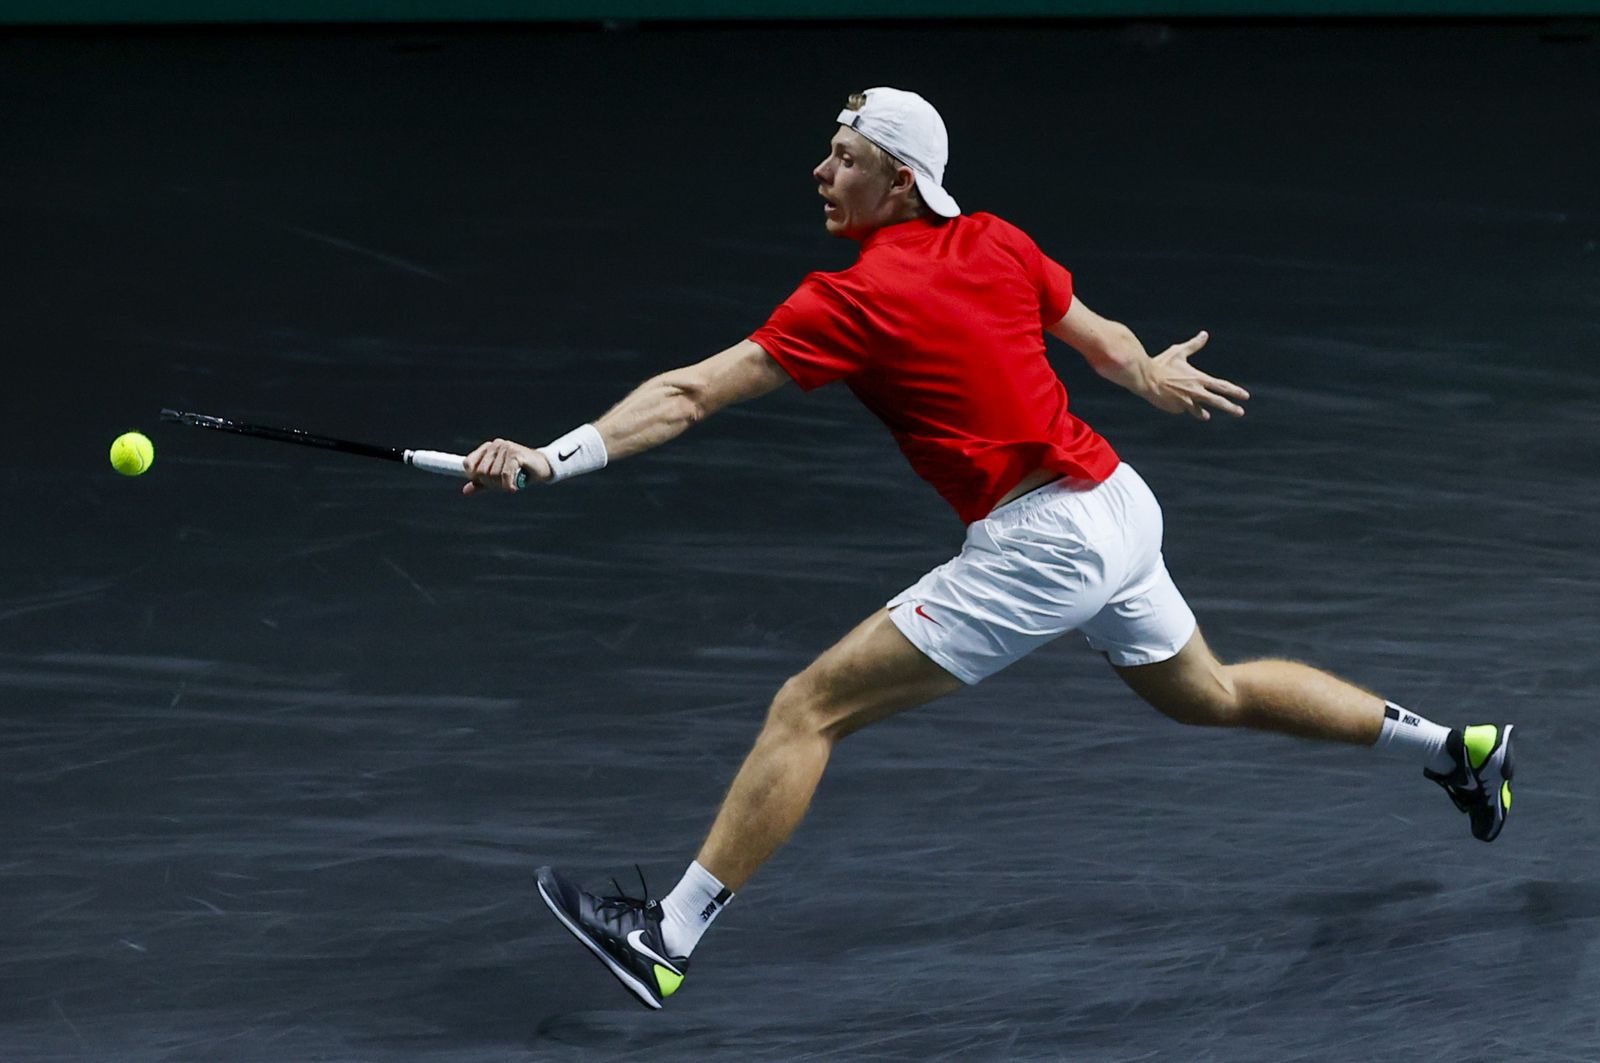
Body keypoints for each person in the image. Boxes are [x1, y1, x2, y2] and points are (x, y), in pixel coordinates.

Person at [462, 87, 1515, 1011]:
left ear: (904, 181)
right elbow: (1100, 337)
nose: (821, 171)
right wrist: (1147, 373)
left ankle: (667, 937)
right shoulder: (999, 241)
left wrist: (553, 459)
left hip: (1045, 539)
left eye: (846, 159)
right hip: (1117, 500)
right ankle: (1459, 748)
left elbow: (688, 393)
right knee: (1212, 694)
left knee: (808, 707)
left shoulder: (852, 297)